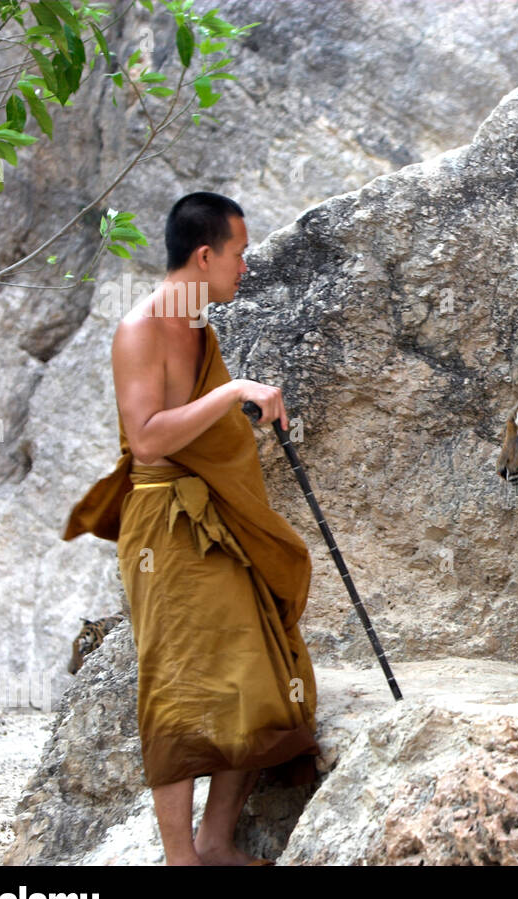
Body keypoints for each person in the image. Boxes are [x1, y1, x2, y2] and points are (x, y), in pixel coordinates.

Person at [63, 192, 318, 865]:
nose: (245, 269)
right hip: (166, 526)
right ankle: (181, 860)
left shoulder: (197, 326)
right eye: (238, 255)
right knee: (177, 685)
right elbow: (147, 441)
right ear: (204, 255)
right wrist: (234, 394)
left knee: (259, 667)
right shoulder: (142, 328)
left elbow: (196, 425)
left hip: (214, 514)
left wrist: (240, 416)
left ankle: (216, 842)